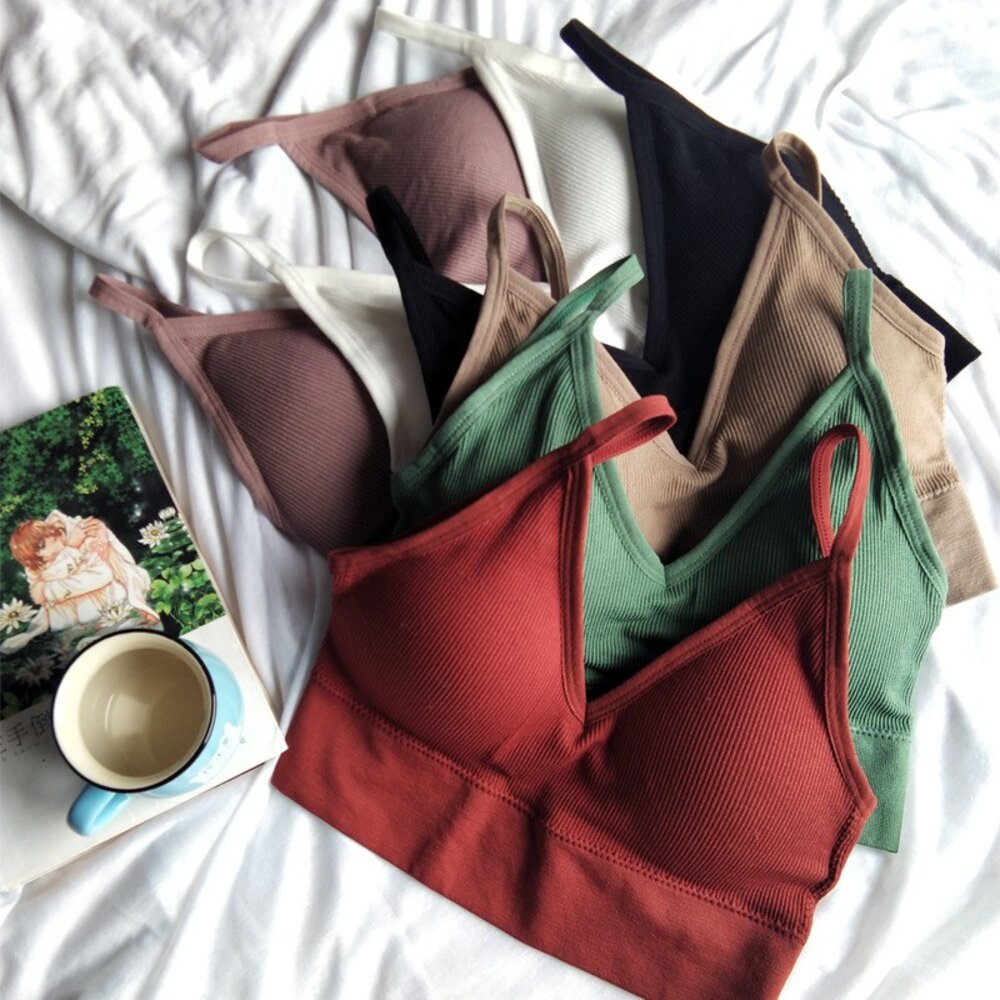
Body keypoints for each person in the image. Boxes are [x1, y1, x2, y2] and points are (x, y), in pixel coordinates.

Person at [1, 510, 159, 654]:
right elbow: (39, 595)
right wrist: (70, 551)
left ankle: (105, 634)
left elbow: (102, 575)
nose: (44, 555)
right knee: (57, 613)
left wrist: (53, 589)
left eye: (42, 547)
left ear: (50, 534)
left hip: (103, 597)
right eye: (38, 555)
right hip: (73, 615)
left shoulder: (85, 534)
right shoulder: (41, 564)